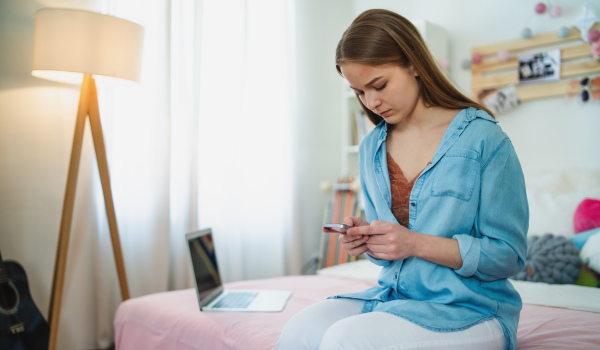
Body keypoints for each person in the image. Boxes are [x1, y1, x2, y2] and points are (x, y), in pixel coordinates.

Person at [277, 9, 528, 350]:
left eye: (378, 85)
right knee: (298, 330)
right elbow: (390, 258)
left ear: (413, 63)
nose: (372, 102)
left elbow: (509, 256)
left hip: (471, 309)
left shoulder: (484, 140)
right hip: (396, 298)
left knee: (346, 339)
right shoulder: (371, 148)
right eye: (360, 92)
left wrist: (414, 242)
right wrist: (370, 241)